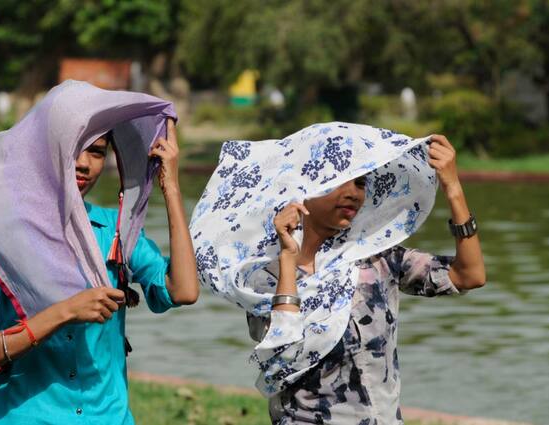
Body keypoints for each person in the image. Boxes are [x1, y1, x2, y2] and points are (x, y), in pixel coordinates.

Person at [0, 82, 198, 424]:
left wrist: (170, 185)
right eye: (75, 149)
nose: (84, 164)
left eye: (97, 152)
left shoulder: (116, 233)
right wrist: (64, 311)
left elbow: (183, 291)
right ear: (45, 151)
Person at [190, 123, 485, 424]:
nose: (353, 193)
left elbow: (468, 276)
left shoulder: (374, 260)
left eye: (360, 183)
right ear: (304, 188)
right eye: (339, 181)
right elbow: (283, 350)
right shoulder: (263, 275)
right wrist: (289, 257)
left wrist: (453, 189)